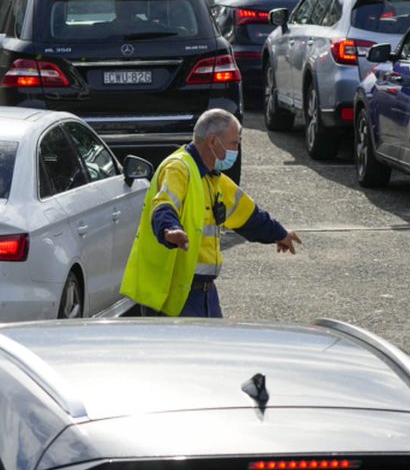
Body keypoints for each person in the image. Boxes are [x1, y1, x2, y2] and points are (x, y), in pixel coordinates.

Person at [121, 109, 302, 317]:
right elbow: (164, 204)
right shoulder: (178, 169)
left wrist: (280, 234)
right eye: (234, 143)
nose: (237, 149)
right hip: (174, 294)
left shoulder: (212, 178)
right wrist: (170, 230)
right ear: (213, 142)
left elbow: (248, 215)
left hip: (204, 294)